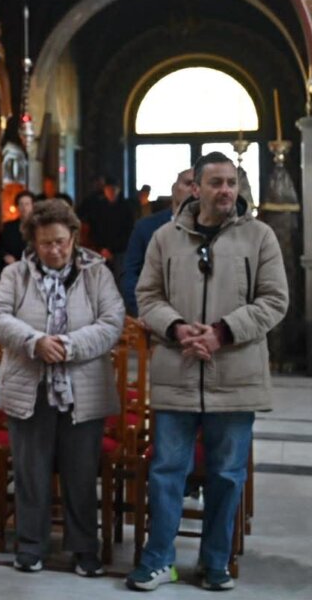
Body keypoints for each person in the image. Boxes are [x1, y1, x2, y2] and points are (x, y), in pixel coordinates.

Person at [128, 152, 288, 592]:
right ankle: (159, 560)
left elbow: (274, 300)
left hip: (234, 373)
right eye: (216, 182)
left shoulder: (260, 237)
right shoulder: (165, 237)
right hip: (177, 370)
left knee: (226, 474)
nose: (226, 191)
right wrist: (177, 328)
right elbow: (147, 296)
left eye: (231, 182)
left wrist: (222, 332)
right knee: (167, 471)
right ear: (196, 188)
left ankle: (215, 561)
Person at [0, 199, 123, 576]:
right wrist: (34, 342)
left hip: (83, 387)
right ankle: (31, 545)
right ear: (33, 242)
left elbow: (112, 322)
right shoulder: (15, 275)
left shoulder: (97, 273)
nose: (55, 250)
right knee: (31, 471)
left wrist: (68, 345)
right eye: (46, 243)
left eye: (61, 241)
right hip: (29, 387)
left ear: (74, 237)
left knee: (81, 472)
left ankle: (84, 548)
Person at [120, 169, 195, 317]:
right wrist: (144, 311)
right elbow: (130, 274)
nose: (193, 190)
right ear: (174, 188)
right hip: (152, 313)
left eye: (199, 185)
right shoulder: (146, 227)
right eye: (188, 184)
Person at [79, 175, 135, 279]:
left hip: (120, 251)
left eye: (113, 189)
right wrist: (102, 248)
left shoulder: (126, 208)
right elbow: (95, 229)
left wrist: (113, 249)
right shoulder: (99, 208)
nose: (110, 192)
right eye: (108, 189)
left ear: (118, 190)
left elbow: (129, 231)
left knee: (119, 278)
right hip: (101, 250)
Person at [0, 189, 35, 267]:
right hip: (12, 268)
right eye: (21, 204)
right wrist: (5, 256)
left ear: (33, 206)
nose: (24, 208)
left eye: (27, 204)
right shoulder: (8, 227)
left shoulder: (39, 227)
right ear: (17, 206)